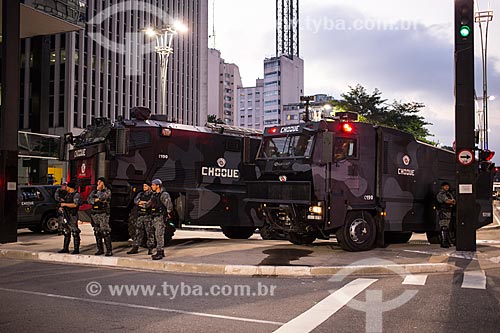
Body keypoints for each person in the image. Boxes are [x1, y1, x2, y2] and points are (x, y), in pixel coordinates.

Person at [127, 181, 155, 255]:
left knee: (150, 233)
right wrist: (141, 202)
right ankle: (135, 247)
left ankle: (150, 248)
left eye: (145, 186)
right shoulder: (141, 194)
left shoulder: (153, 195)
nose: (144, 187)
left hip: (148, 216)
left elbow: (148, 204)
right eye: (143, 186)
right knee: (138, 232)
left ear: (149, 186)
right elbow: (135, 201)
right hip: (140, 215)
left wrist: (141, 203)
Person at [87, 177, 112, 256]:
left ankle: (109, 250)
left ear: (103, 183)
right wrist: (96, 200)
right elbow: (89, 200)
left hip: (103, 213)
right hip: (95, 213)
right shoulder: (94, 191)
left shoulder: (107, 191)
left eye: (100, 182)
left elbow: (103, 197)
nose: (98, 184)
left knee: (105, 232)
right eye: (98, 182)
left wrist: (96, 198)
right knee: (97, 232)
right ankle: (100, 249)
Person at [150, 179, 173, 260]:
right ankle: (160, 251)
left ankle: (159, 252)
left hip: (160, 217)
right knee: (157, 234)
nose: (152, 186)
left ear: (158, 186)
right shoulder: (154, 195)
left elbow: (169, 205)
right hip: (155, 216)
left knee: (159, 235)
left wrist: (168, 213)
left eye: (153, 185)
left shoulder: (164, 194)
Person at [57, 181, 82, 254]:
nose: (66, 187)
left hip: (72, 215)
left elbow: (75, 205)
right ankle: (65, 248)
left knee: (75, 232)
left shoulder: (76, 195)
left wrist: (65, 204)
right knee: (66, 232)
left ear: (70, 187)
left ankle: (76, 249)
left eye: (67, 186)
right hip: (66, 215)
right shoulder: (67, 195)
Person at [436, 182, 456, 248]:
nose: (447, 187)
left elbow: (453, 201)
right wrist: (451, 201)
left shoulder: (448, 193)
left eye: (447, 186)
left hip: (448, 211)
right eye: (445, 186)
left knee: (447, 227)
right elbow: (447, 201)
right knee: (443, 227)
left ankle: (447, 241)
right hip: (443, 212)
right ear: (442, 187)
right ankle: (443, 242)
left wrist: (451, 201)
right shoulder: (441, 194)